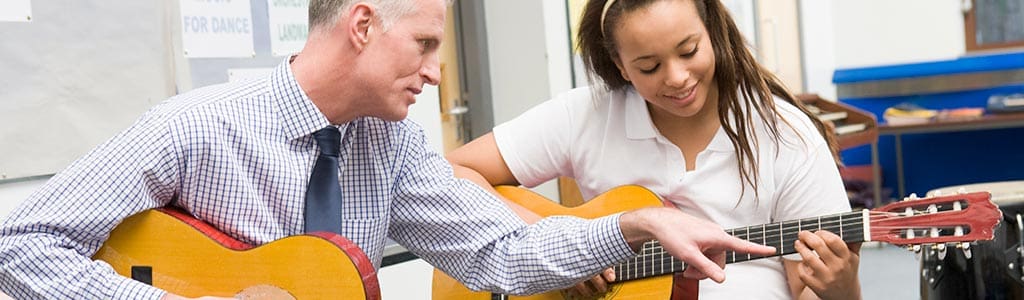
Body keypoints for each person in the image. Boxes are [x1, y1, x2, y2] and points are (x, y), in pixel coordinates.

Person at [0, 0, 775, 299]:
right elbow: (23, 243)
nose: (440, 71)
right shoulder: (194, 127)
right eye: (427, 44)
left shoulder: (393, 146)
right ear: (363, 26)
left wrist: (632, 228)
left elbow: (500, 255)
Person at [446, 0, 862, 299]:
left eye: (689, 51)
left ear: (711, 32)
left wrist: (843, 292)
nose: (677, 77)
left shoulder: (785, 133)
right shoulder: (586, 114)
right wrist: (556, 248)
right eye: (649, 66)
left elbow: (804, 288)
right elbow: (452, 172)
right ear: (620, 65)